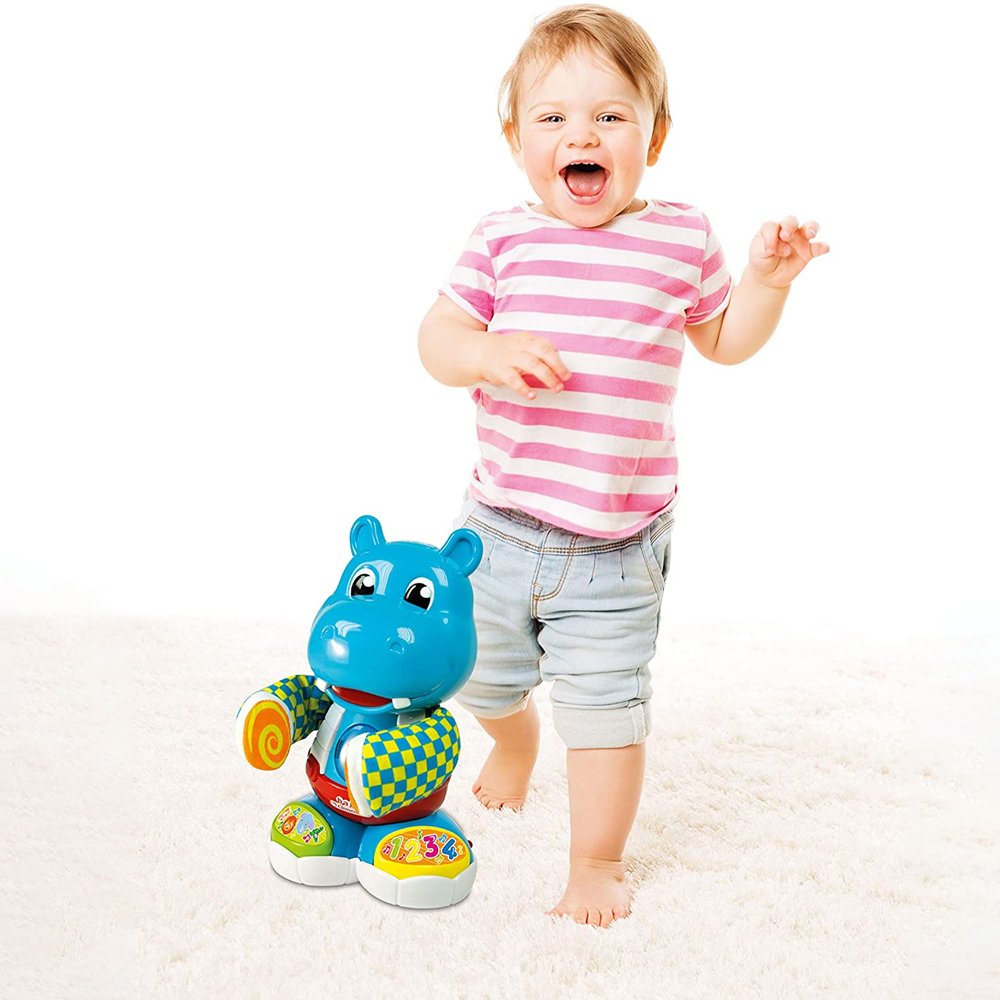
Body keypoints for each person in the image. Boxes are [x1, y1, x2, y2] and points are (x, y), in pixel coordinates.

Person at [417, 3, 828, 927]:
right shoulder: (502, 238)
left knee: (606, 710)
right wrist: (483, 352)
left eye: (611, 116)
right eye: (553, 117)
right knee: (478, 677)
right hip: (495, 529)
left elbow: (723, 341)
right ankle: (513, 742)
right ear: (517, 140)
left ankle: (596, 861)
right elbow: (436, 340)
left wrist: (766, 285)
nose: (582, 136)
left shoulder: (680, 237)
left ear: (656, 136)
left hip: (616, 545)